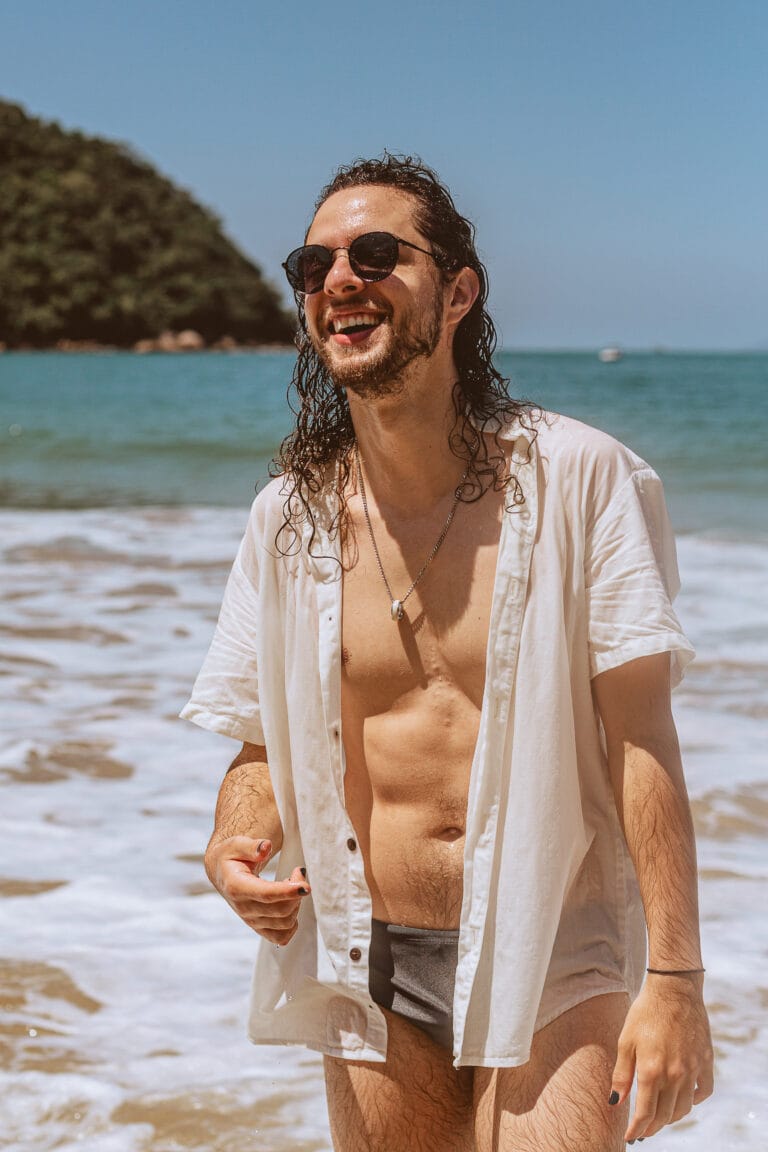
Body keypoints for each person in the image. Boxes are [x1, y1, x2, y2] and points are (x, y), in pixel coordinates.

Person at [181, 154, 713, 1151]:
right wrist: (230, 845)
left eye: (377, 254)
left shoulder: (579, 480)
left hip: (556, 943)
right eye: (314, 265)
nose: (340, 279)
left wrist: (677, 983)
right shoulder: (288, 521)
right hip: (367, 955)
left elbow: (644, 741)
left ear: (459, 291)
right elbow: (260, 750)